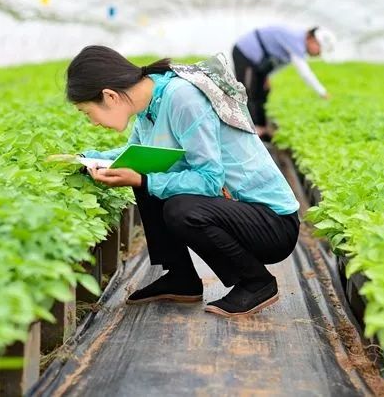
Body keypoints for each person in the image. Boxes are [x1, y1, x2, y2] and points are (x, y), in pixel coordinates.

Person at [64, 46, 301, 317]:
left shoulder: (182, 98)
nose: (92, 122)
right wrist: (85, 159)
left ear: (109, 96)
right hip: (237, 211)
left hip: (271, 223)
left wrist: (143, 179)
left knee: (176, 206)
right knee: (144, 173)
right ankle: (182, 278)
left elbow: (210, 180)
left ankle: (256, 282)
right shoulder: (149, 106)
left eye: (87, 112)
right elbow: (133, 156)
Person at [232, 25, 336, 140]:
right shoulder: (296, 41)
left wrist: (267, 76)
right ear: (312, 40)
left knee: (263, 91)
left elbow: (276, 57)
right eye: (319, 49)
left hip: (259, 62)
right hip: (245, 53)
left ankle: (260, 128)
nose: (319, 54)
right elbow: (305, 73)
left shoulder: (298, 41)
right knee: (247, 91)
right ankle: (245, 130)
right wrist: (323, 93)